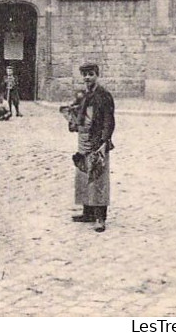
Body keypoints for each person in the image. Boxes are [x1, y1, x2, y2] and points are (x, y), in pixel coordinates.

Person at [70, 62, 115, 232]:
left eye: (91, 74)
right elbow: (77, 114)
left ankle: (100, 217)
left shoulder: (104, 95)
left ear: (97, 75)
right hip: (83, 139)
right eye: (85, 74)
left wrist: (104, 141)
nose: (87, 77)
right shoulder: (83, 96)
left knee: (98, 177)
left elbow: (109, 121)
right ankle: (87, 211)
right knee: (82, 174)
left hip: (97, 141)